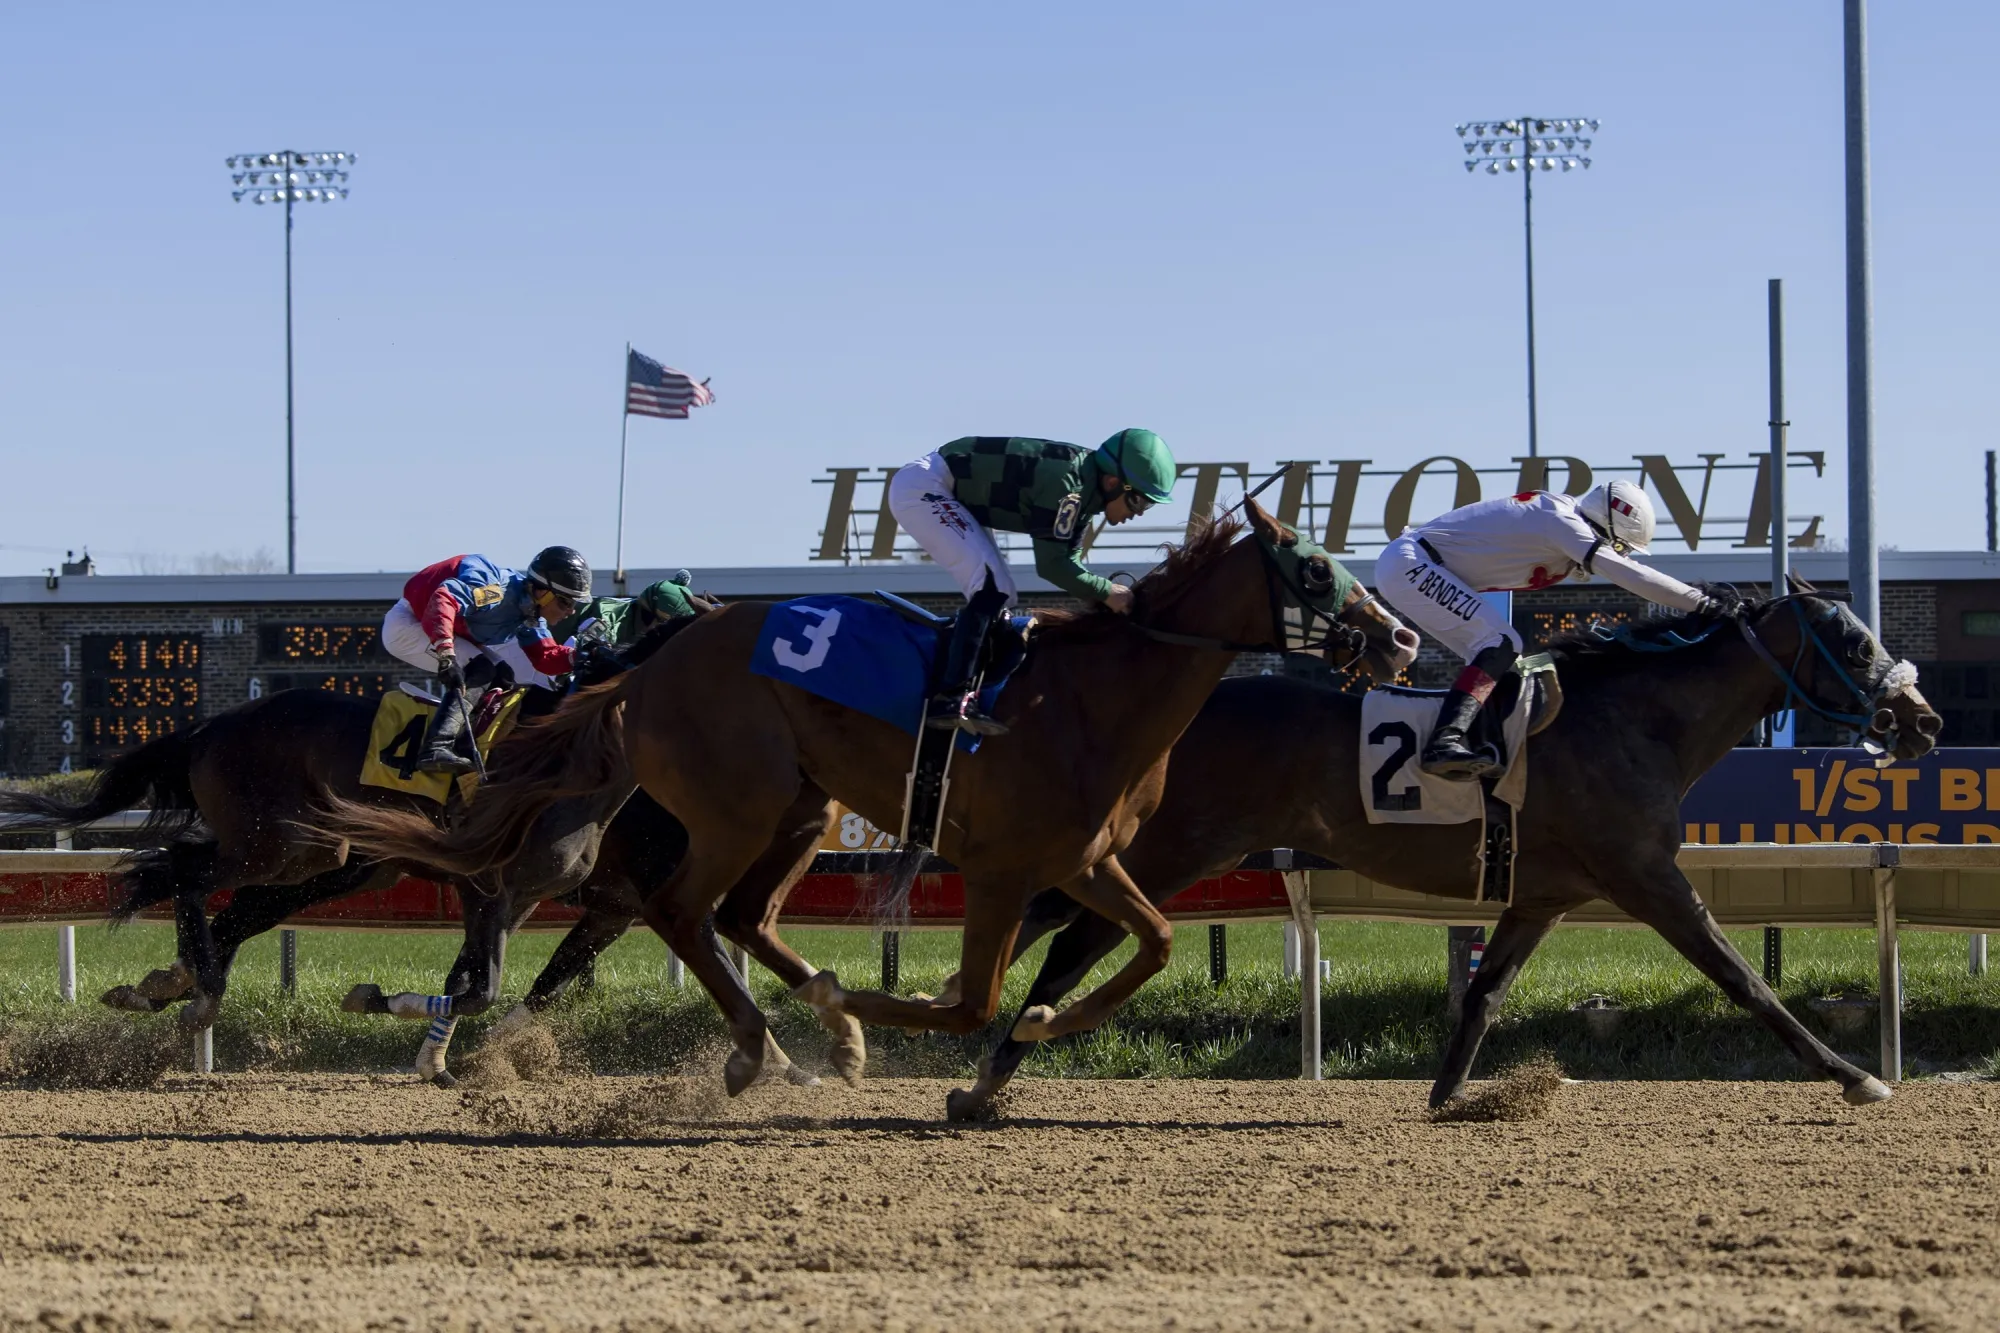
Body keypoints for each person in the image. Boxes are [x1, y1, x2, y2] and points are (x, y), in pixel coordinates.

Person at [1375, 481, 1732, 781]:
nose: (1614, 553)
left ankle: (1478, 744)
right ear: (1602, 527)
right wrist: (1701, 603)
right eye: (1616, 545)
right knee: (1501, 641)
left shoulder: (1562, 517)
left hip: (1412, 564)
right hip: (1412, 564)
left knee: (1506, 663)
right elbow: (1630, 575)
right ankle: (1443, 742)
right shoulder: (1565, 523)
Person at [886, 429, 1177, 733]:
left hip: (948, 489)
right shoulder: (1069, 489)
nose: (1139, 513)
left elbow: (1069, 563)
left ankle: (971, 686)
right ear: (1113, 482)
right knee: (991, 587)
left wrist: (1104, 594)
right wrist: (1107, 592)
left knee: (1003, 593)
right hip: (926, 488)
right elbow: (1052, 566)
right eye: (1138, 502)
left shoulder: (1086, 493)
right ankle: (950, 697)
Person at [380, 546, 594, 774]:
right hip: (409, 624)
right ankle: (435, 747)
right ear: (543, 593)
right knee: (482, 670)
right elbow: (443, 599)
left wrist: (581, 656)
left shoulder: (531, 616)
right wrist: (446, 654)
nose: (570, 612)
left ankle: (463, 743)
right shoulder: (496, 592)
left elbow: (545, 658)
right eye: (566, 603)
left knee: (505, 677)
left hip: (437, 625)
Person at [553, 572, 707, 650]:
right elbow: (576, 659)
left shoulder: (636, 619)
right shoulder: (606, 618)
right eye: (663, 624)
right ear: (650, 615)